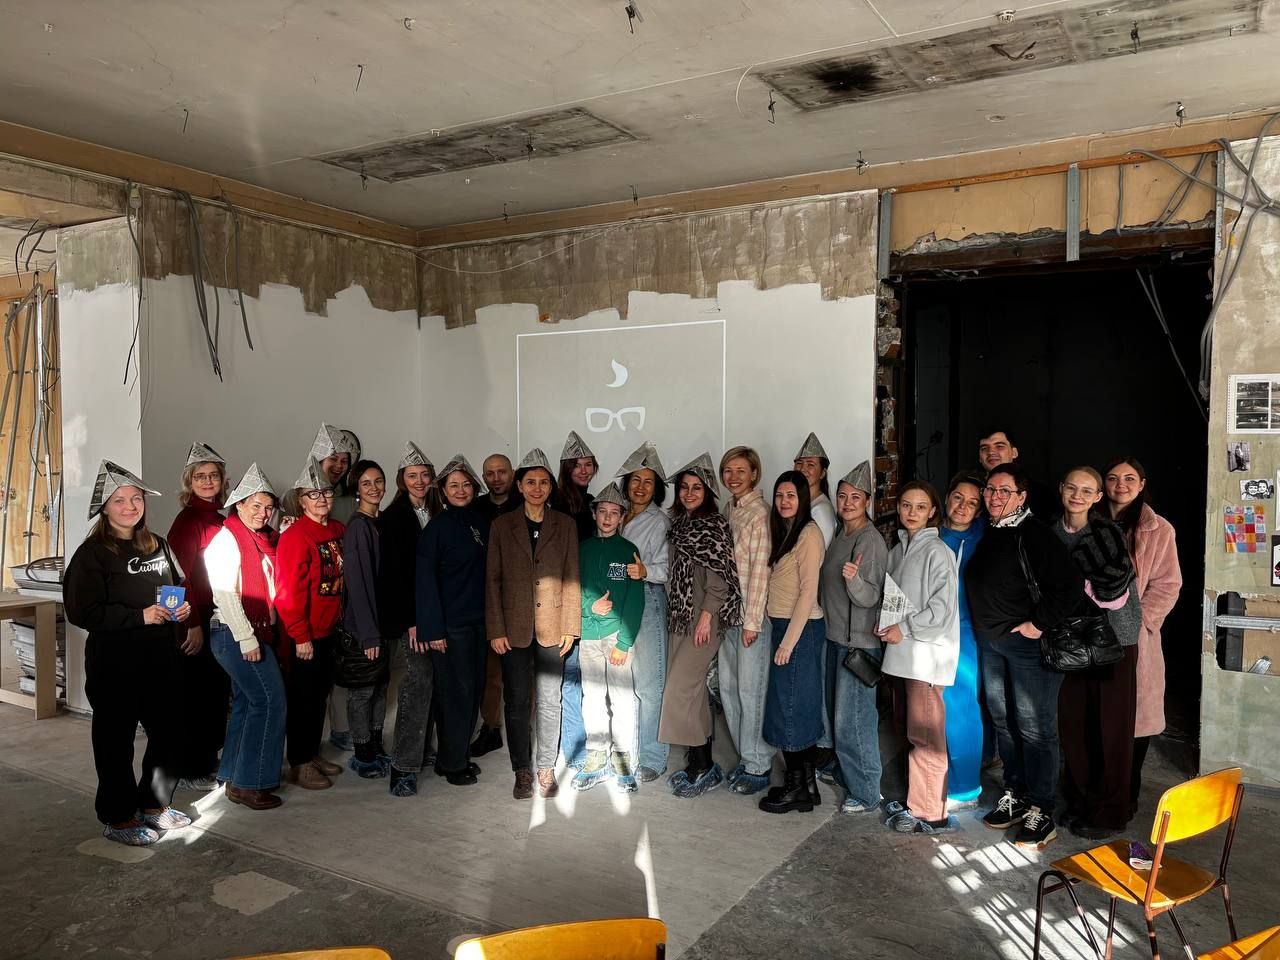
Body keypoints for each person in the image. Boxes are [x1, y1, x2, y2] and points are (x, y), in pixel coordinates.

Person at [63, 461, 193, 846]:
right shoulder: (92, 555)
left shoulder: (158, 545)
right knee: (115, 741)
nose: (130, 506)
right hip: (115, 663)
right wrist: (139, 616)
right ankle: (118, 817)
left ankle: (154, 805)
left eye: (136, 498)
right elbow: (81, 612)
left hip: (161, 659)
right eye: (119, 500)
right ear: (104, 508)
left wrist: (180, 610)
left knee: (170, 733)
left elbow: (176, 586)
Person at [965, 461, 1083, 849]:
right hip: (992, 646)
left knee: (1035, 728)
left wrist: (1038, 623)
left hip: (1027, 649)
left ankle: (1041, 809)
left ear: (1021, 497)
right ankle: (1015, 794)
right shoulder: (991, 531)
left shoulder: (1034, 534)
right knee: (1004, 723)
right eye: (990, 490)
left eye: (1004, 491)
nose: (995, 497)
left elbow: (1070, 587)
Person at [485, 448, 580, 800]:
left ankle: (545, 768)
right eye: (530, 482)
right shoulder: (501, 525)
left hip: (554, 627)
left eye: (543, 482)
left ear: (551, 487)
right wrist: (496, 629)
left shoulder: (565, 525)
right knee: (516, 701)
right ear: (520, 486)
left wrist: (571, 626)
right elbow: (492, 580)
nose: (537, 488)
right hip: (513, 629)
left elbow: (572, 577)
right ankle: (521, 770)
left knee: (551, 700)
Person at [1055, 466, 1143, 839]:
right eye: (1071, 487)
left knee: (1111, 727)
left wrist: (1075, 584)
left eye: (1086, 490)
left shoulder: (1107, 533)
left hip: (1115, 640)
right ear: (1061, 489)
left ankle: (1109, 812)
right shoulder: (1052, 533)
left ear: (1097, 497)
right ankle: (1079, 801)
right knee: (1075, 725)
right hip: (1072, 641)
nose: (1077, 495)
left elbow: (1114, 595)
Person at [878, 482, 960, 835]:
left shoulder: (938, 552)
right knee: (910, 731)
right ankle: (917, 800)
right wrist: (885, 625)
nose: (912, 512)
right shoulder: (898, 550)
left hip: (926, 659)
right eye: (906, 505)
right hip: (901, 655)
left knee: (926, 737)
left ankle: (930, 814)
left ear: (933, 512)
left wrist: (905, 628)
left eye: (921, 506)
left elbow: (942, 610)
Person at [204, 463, 287, 810]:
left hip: (249, 631)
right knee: (269, 702)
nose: (262, 513)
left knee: (246, 702)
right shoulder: (227, 540)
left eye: (268, 507)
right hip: (235, 632)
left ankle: (231, 773)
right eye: (255, 505)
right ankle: (250, 784)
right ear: (239, 504)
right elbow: (225, 594)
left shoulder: (262, 540)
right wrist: (247, 637)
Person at [661, 453, 744, 799]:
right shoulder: (679, 524)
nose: (689, 493)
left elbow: (721, 580)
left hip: (702, 621)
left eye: (697, 488)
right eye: (684, 487)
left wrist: (707, 618)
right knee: (693, 692)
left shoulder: (713, 526)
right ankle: (701, 765)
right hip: (681, 617)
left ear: (707, 492)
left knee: (680, 688)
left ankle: (702, 764)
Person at [1103, 457, 1182, 816]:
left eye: (1129, 478)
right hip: (1092, 636)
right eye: (1113, 477)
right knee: (1097, 717)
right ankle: (1095, 793)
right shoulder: (1090, 521)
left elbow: (1168, 584)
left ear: (1142, 483)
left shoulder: (1157, 529)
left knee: (1134, 721)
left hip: (1134, 640)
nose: (1121, 484)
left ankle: (1125, 797)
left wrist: (1140, 622)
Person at [418, 454, 492, 788]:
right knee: (454, 695)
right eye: (453, 486)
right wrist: (433, 630)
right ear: (443, 491)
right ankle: (452, 763)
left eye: (466, 485)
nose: (461, 490)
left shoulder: (479, 522)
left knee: (472, 692)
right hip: (451, 627)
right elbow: (425, 582)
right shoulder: (436, 529)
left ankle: (456, 755)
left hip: (478, 622)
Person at [819, 461, 888, 815]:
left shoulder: (869, 540)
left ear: (868, 502)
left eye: (855, 497)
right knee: (838, 718)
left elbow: (870, 597)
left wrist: (854, 580)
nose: (847, 503)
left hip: (857, 644)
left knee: (855, 722)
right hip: (836, 639)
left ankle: (866, 792)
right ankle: (846, 774)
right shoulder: (840, 535)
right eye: (843, 496)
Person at [275, 457, 347, 790]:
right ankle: (299, 763)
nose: (321, 499)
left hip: (330, 630)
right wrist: (300, 636)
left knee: (319, 697)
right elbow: (287, 593)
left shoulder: (337, 530)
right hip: (305, 636)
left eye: (326, 493)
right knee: (303, 700)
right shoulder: (295, 536)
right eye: (312, 494)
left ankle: (312, 753)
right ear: (301, 500)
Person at [758, 471, 826, 814]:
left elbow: (808, 593)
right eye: (779, 495)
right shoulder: (786, 531)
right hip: (787, 627)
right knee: (798, 705)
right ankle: (808, 787)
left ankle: (795, 787)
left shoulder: (809, 534)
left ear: (803, 499)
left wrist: (788, 643)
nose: (784, 501)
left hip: (799, 629)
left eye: (791, 495)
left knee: (789, 709)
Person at [572, 482, 645, 793]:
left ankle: (623, 759)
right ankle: (596, 756)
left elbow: (635, 600)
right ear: (594, 514)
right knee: (592, 697)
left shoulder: (628, 551)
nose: (607, 517)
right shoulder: (582, 549)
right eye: (602, 511)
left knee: (621, 698)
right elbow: (571, 590)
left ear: (622, 517)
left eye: (614, 513)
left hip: (616, 636)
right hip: (588, 635)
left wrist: (624, 642)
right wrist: (589, 607)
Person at [166, 441, 229, 792]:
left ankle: (206, 759)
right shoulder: (187, 522)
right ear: (189, 481)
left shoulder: (219, 518)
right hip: (195, 618)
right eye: (200, 476)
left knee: (214, 692)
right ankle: (191, 767)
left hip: (216, 615)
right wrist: (189, 624)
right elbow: (175, 578)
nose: (207, 481)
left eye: (213, 475)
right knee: (195, 695)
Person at [382, 443, 443, 797]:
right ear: (401, 480)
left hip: (437, 613)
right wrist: (412, 621)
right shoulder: (393, 518)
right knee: (416, 684)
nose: (419, 481)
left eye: (424, 475)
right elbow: (395, 576)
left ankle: (422, 751)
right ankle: (403, 766)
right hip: (414, 620)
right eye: (412, 476)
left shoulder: (437, 510)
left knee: (432, 682)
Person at [718, 446, 775, 796]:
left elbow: (759, 571)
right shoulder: (731, 509)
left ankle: (758, 764)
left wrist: (753, 621)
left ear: (754, 474)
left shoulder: (759, 513)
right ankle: (745, 755)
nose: (734, 477)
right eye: (728, 471)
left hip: (749, 617)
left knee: (751, 692)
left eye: (741, 471)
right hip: (728, 615)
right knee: (728, 688)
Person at [617, 441, 672, 782]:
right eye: (635, 480)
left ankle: (653, 756)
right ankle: (629, 750)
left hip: (648, 598)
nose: (640, 487)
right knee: (624, 682)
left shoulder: (661, 521)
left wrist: (644, 570)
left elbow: (668, 568)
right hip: (618, 601)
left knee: (650, 684)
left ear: (657, 488)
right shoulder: (615, 513)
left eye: (648, 482)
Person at [938, 471, 987, 808]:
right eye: (958, 497)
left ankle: (966, 788)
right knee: (933, 711)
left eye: (972, 502)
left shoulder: (983, 537)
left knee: (962, 709)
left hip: (964, 633)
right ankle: (937, 778)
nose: (963, 507)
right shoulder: (930, 533)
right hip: (928, 634)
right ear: (946, 498)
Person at [340, 459, 392, 779]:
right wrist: (369, 634)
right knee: (363, 690)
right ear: (357, 490)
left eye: (378, 481)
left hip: (381, 621)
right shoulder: (358, 526)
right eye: (366, 483)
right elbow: (358, 584)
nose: (374, 488)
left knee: (380, 687)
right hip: (363, 625)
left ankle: (375, 744)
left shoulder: (380, 522)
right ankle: (363, 754)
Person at [555, 430, 599, 774]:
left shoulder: (593, 502)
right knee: (569, 676)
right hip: (565, 597)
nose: (583, 470)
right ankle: (572, 746)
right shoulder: (557, 502)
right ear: (566, 468)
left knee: (584, 675)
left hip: (590, 597)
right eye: (577, 465)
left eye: (588, 465)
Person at [472, 452, 519, 757]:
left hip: (520, 600)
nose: (497, 478)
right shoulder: (475, 508)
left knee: (521, 673)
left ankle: (521, 729)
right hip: (485, 598)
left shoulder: (526, 503)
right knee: (489, 673)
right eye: (490, 473)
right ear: (483, 477)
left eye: (502, 471)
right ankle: (490, 728)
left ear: (512, 474)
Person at [976, 428, 1052, 517]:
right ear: (980, 458)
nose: (990, 452)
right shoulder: (972, 490)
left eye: (999, 446)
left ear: (1014, 453)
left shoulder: (1040, 494)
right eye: (984, 448)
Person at [793, 432, 837, 547]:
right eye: (799, 463)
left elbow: (817, 553)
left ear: (822, 473)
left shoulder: (821, 510)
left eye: (810, 465)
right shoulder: (800, 502)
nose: (803, 469)